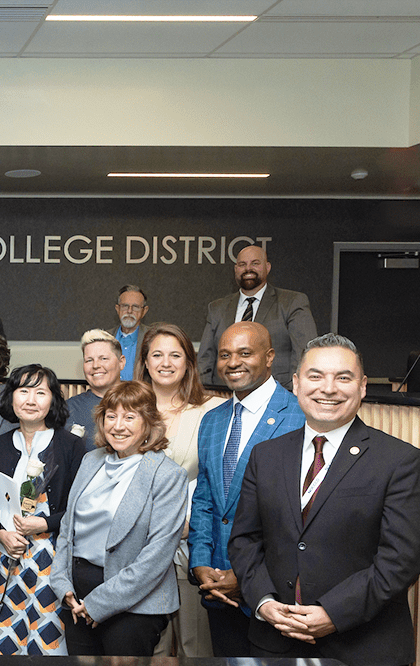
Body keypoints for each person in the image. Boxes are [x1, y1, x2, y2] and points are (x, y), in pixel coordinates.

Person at [229, 334, 420, 666]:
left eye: (342, 377)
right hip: (274, 643)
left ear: (362, 386)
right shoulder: (266, 456)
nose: (328, 388)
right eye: (315, 376)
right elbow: (245, 540)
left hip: (363, 648)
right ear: (297, 383)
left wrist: (333, 613)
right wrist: (263, 603)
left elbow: (401, 560)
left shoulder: (400, 461)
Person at [188, 322, 304, 657]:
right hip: (217, 589)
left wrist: (247, 576)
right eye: (225, 355)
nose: (232, 362)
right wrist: (200, 564)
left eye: (244, 353)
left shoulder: (298, 415)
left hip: (274, 592)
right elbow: (205, 499)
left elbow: (295, 515)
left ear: (269, 357)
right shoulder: (213, 419)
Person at [53, 381, 189, 656]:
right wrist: (62, 583)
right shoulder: (91, 460)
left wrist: (98, 603)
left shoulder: (167, 474)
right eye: (111, 416)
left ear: (149, 423)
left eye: (129, 417)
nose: (118, 425)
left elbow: (157, 556)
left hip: (135, 603)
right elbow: (68, 527)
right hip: (77, 597)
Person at [0, 364, 86, 655]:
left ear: (53, 400)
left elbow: (82, 508)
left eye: (40, 392)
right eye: (23, 391)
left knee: (45, 641)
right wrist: (1, 535)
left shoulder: (71, 445)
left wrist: (45, 524)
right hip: (5, 556)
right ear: (11, 397)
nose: (31, 399)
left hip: (51, 560)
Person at [135, 322, 225, 657]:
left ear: (189, 362)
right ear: (145, 362)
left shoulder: (213, 410)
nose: (166, 362)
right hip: (139, 548)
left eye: (176, 355)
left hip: (190, 542)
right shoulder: (128, 410)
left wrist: (191, 524)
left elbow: (221, 481)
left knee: (194, 644)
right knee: (148, 647)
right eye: (157, 354)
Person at [197, 245, 316, 391]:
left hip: (276, 395)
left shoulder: (291, 302)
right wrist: (205, 393)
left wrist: (294, 393)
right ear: (235, 270)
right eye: (242, 264)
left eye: (255, 263)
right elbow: (205, 358)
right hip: (225, 395)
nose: (248, 269)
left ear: (267, 267)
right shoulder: (217, 308)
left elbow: (305, 353)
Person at [63, 329, 125, 447]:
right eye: (89, 360)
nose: (96, 366)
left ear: (121, 362)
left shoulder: (138, 403)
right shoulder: (68, 409)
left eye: (103, 359)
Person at [113, 285, 147, 381]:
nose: (129, 311)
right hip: (109, 395)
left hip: (142, 395)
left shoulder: (153, 338)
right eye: (125, 306)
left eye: (135, 307)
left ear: (144, 311)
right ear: (117, 309)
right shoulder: (105, 338)